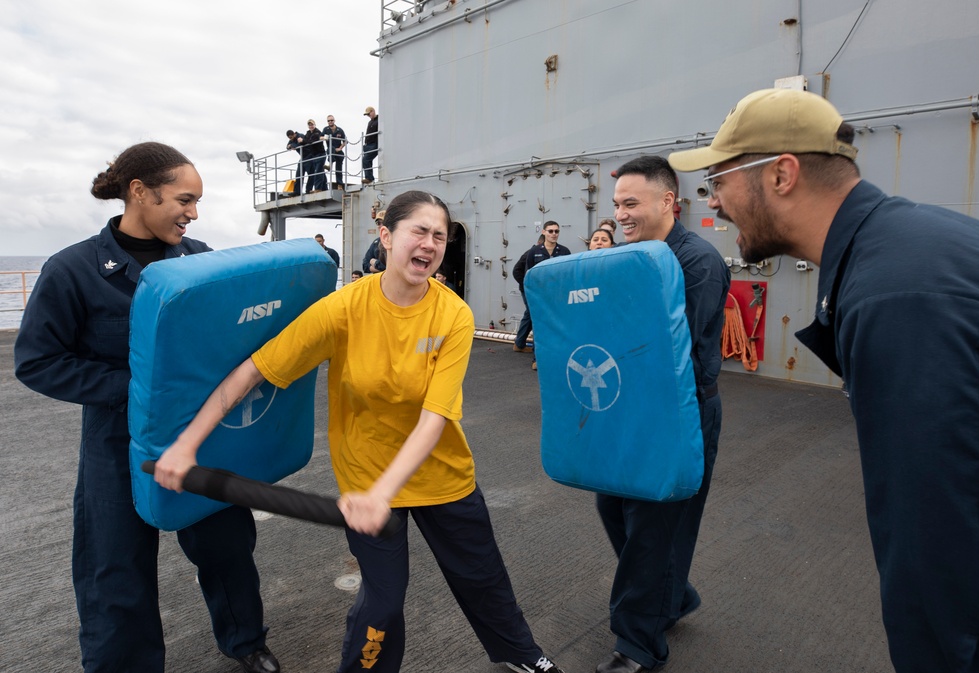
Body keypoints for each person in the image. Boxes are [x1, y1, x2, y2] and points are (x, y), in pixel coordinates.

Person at [152, 190, 566, 673]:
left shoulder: (453, 314)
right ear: (386, 236)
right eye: (419, 231)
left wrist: (382, 496)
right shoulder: (344, 309)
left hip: (440, 474)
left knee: (482, 579)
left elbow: (436, 418)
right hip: (368, 475)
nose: (430, 245)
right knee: (383, 603)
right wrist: (185, 446)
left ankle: (521, 656)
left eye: (439, 236)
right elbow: (254, 371)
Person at [668, 87, 979, 673]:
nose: (713, 203)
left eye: (717, 181)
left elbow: (944, 540)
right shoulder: (908, 248)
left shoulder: (894, 296)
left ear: (781, 175)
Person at [13, 142, 280, 673]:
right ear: (140, 192)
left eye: (198, 202)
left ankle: (246, 640)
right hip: (118, 444)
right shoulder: (72, 270)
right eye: (185, 199)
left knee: (226, 545)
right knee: (115, 565)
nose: (194, 213)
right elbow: (37, 361)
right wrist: (135, 389)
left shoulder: (203, 261)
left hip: (203, 437)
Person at [594, 156, 729, 673]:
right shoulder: (631, 256)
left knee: (653, 527)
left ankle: (637, 646)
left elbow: (673, 353)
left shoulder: (696, 262)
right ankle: (672, 598)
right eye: (616, 205)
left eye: (631, 203)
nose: (621, 215)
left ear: (668, 202)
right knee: (613, 508)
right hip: (630, 406)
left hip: (680, 411)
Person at [512, 223, 571, 369]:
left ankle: (556, 356)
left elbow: (568, 274)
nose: (554, 233)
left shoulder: (564, 251)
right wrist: (530, 293)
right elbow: (528, 274)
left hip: (557, 297)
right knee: (539, 326)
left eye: (556, 231)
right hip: (539, 296)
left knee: (556, 325)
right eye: (550, 231)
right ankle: (537, 359)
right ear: (544, 232)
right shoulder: (534, 252)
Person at [303, 119, 328, 193]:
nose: (311, 126)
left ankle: (318, 188)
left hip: (320, 154)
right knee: (320, 171)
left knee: (318, 171)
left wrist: (304, 141)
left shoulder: (317, 132)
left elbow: (311, 140)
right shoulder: (308, 133)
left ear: (315, 125)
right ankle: (324, 188)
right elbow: (305, 141)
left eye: (312, 124)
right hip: (314, 155)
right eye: (309, 125)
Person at [323, 115, 347, 189]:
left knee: (339, 168)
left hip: (338, 151)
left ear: (334, 120)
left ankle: (340, 184)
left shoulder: (340, 130)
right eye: (328, 121)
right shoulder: (325, 129)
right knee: (330, 148)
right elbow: (320, 137)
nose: (330, 122)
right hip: (331, 150)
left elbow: (345, 141)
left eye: (331, 120)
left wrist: (340, 148)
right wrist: (325, 138)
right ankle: (330, 164)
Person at [362, 209, 387, 274]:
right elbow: (365, 265)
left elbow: (391, 266)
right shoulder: (376, 243)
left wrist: (373, 262)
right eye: (378, 223)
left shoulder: (396, 241)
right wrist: (381, 267)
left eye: (383, 222)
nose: (380, 225)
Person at [285, 128, 305, 196]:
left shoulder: (300, 136)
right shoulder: (291, 140)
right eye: (289, 138)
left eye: (291, 137)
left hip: (310, 156)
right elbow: (287, 147)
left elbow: (302, 144)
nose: (290, 139)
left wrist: (293, 146)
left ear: (294, 134)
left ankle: (310, 189)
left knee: (313, 174)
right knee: (298, 174)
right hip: (303, 157)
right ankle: (297, 191)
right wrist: (289, 146)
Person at [361, 106, 379, 184]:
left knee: (365, 159)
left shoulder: (379, 120)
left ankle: (369, 178)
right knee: (368, 161)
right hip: (368, 144)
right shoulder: (370, 122)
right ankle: (369, 178)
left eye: (369, 114)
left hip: (374, 144)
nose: (368, 116)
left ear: (373, 111)